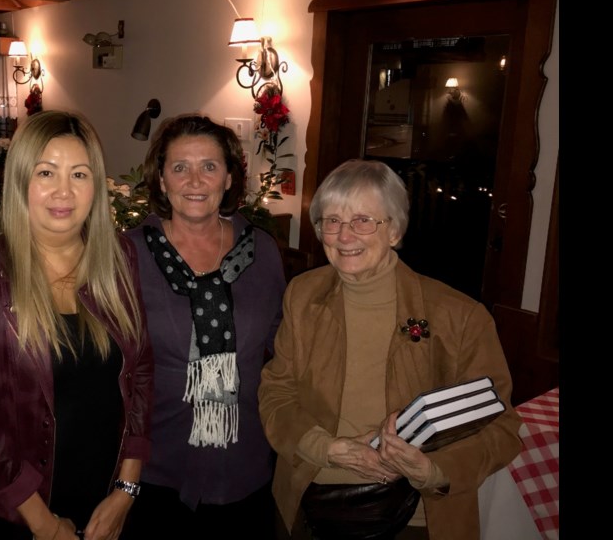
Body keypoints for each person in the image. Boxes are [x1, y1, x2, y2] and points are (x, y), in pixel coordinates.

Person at [258, 159, 522, 540]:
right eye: (331, 221)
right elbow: (276, 392)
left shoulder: (459, 317)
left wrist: (432, 469)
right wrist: (327, 448)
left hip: (416, 517)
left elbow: (502, 429)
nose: (344, 235)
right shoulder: (303, 294)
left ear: (395, 230)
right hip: (309, 501)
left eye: (363, 220)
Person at [0, 110, 153, 540]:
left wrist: (126, 491)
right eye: (46, 172)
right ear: (21, 180)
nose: (64, 191)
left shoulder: (119, 258)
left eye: (79, 174)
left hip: (107, 504)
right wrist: (43, 525)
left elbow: (142, 373)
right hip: (18, 513)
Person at [123, 114, 286, 539]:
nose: (195, 180)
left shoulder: (263, 252)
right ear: (161, 180)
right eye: (180, 168)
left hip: (246, 468)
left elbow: (285, 351)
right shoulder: (127, 255)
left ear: (229, 178)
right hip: (155, 471)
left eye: (209, 166)